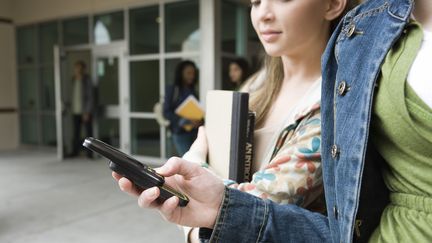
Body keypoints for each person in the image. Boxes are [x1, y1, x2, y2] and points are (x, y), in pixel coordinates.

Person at [114, 0, 432, 242]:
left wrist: (195, 169)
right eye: (255, 1)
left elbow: (246, 211)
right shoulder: (254, 86)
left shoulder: (341, 100)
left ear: (333, 4)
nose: (263, 14)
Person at [163, 60, 201, 156]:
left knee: (195, 159)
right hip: (180, 133)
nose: (191, 76)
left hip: (195, 132)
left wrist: (199, 121)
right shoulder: (172, 89)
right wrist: (186, 120)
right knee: (188, 160)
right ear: (181, 73)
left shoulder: (193, 90)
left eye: (193, 73)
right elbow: (166, 112)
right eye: (188, 73)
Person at [70, 60, 94, 158]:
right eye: (76, 68)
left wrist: (87, 111)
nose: (78, 70)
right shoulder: (73, 80)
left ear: (83, 69)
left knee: (88, 134)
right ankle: (75, 151)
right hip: (75, 111)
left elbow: (90, 97)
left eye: (80, 68)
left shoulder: (87, 80)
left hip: (85, 112)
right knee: (76, 133)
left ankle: (90, 153)